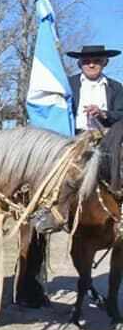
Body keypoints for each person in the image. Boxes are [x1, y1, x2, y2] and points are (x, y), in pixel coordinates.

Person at [17, 44, 123, 308]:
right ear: (79, 63)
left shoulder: (116, 88)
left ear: (104, 63)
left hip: (106, 144)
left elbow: (121, 116)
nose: (91, 63)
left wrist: (103, 114)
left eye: (96, 60)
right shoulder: (68, 86)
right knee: (54, 183)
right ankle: (48, 216)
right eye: (87, 60)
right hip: (73, 143)